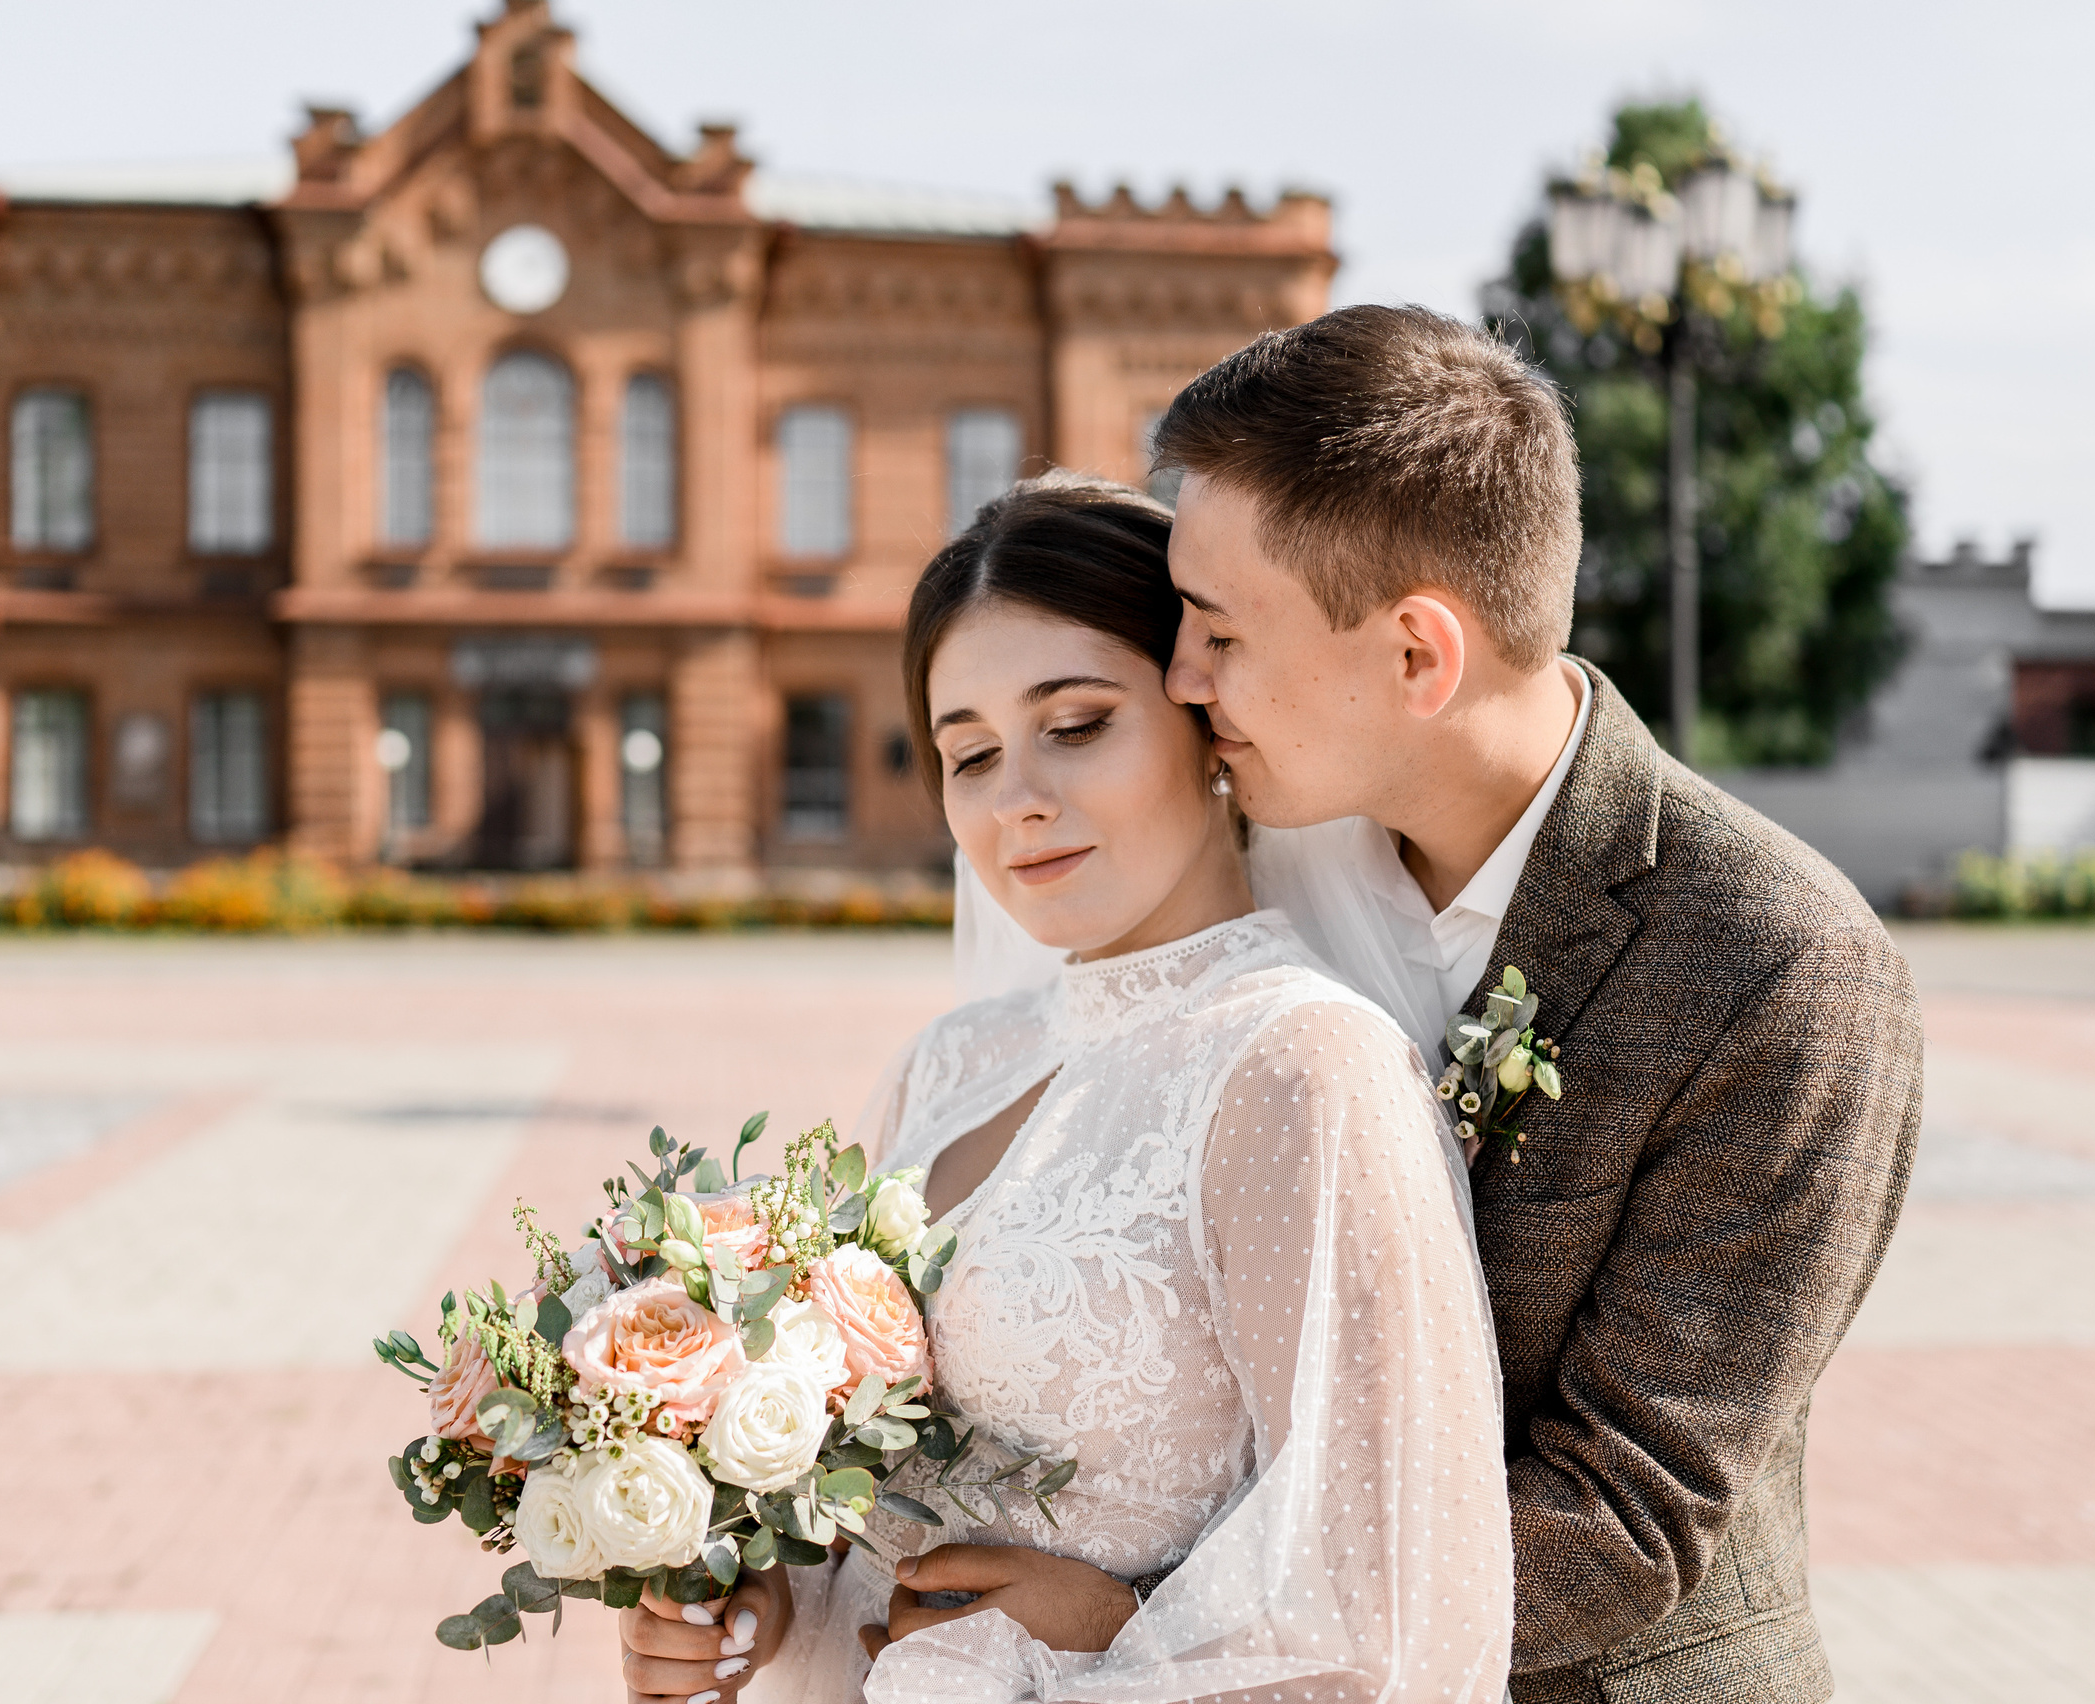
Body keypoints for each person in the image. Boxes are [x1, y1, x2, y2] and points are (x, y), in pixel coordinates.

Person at [616, 473, 1512, 1704]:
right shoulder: (950, 1062)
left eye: (1077, 724)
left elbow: (1383, 1599)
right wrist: (767, 1603)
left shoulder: (1299, 1065)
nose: (1017, 801)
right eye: (968, 753)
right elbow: (875, 1506)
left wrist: (1104, 1630)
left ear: (1208, 724)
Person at [1157, 305, 1923, 1703]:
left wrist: (1143, 1632)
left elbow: (1618, 1522)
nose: (1179, 680)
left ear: (1415, 658)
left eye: (1216, 632)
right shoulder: (1252, 879)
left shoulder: (1781, 966)